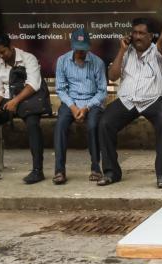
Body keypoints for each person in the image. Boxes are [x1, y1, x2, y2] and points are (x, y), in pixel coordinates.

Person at [97, 0, 162, 188]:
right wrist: (121, 50)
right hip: (127, 100)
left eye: (142, 33)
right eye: (135, 33)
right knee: (105, 123)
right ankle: (111, 172)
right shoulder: (126, 52)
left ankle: (161, 174)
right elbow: (112, 76)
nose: (138, 37)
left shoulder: (158, 51)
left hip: (153, 100)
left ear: (150, 36)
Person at [0, 35, 46, 185]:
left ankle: (37, 170)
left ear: (11, 47)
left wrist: (16, 101)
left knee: (33, 124)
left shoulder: (28, 58)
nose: (1, 56)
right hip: (7, 101)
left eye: (3, 52)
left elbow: (33, 84)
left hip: (27, 99)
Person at [52, 28, 108, 185]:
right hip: (71, 102)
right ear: (72, 46)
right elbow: (61, 89)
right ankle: (59, 170)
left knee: (92, 125)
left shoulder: (97, 62)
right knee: (60, 125)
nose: (81, 53)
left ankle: (96, 167)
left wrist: (86, 108)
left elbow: (102, 92)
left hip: (92, 102)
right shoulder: (62, 61)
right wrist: (74, 108)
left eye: (84, 49)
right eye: (78, 49)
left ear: (88, 47)